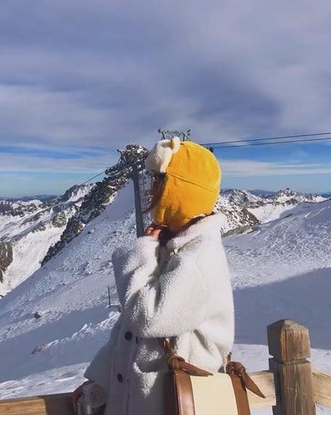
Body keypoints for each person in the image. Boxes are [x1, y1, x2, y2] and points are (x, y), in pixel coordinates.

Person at [73, 136, 235, 414]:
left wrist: (142, 252)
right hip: (149, 402)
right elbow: (126, 332)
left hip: (176, 405)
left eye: (159, 182)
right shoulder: (176, 246)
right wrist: (101, 380)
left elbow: (146, 318)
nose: (150, 192)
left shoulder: (198, 257)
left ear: (181, 191)